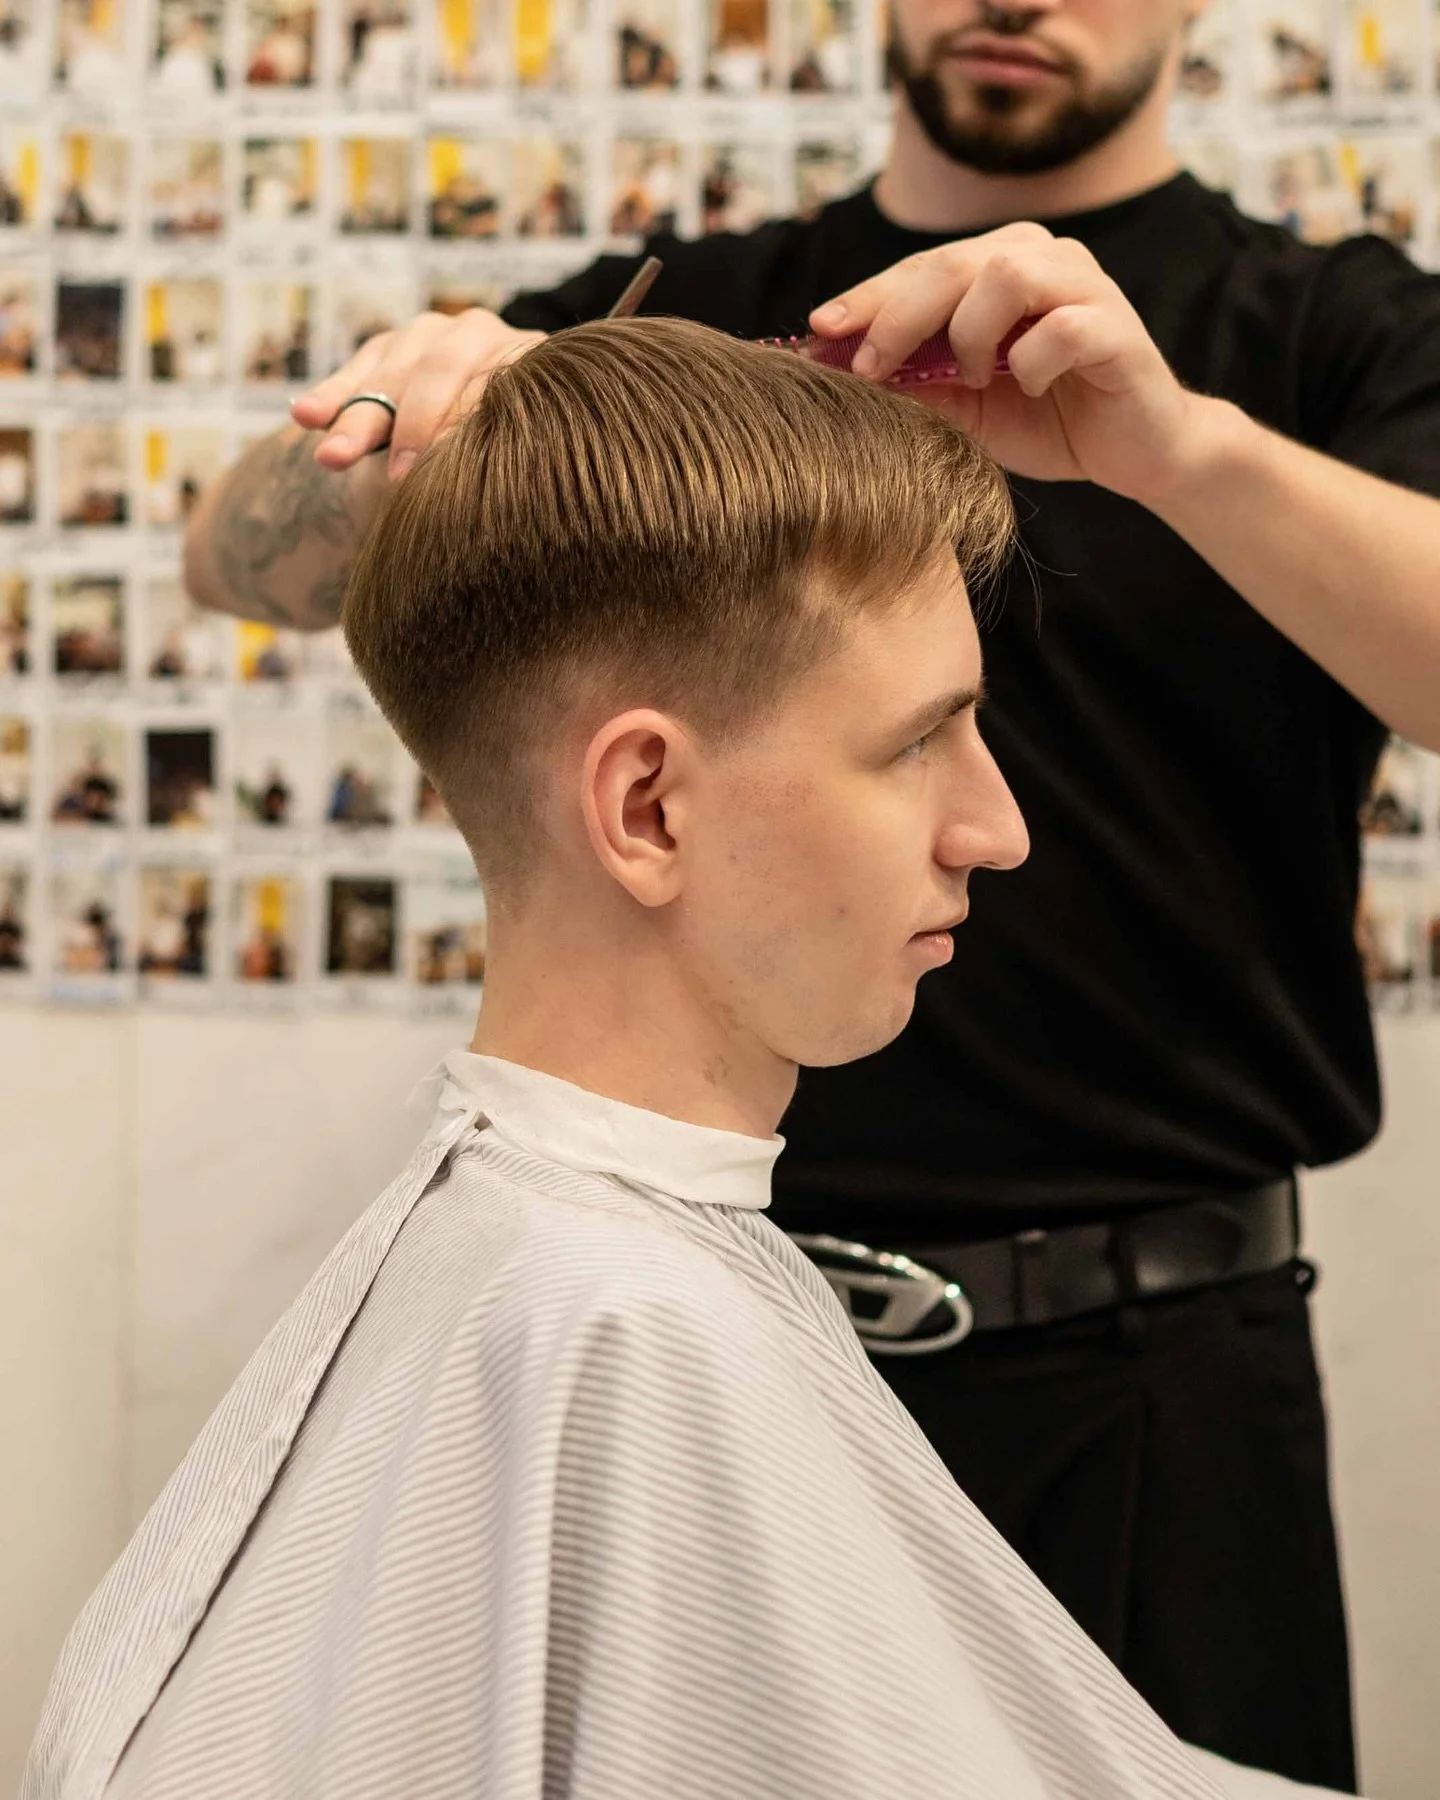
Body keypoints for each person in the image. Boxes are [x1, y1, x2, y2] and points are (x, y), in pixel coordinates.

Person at [180, 1, 1440, 1785]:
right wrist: (402, 414)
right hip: (713, 1316)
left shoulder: (1328, 334)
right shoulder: (698, 318)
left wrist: (1179, 450)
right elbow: (234, 562)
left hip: (1156, 1382)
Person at [24, 317, 1346, 1800]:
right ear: (647, 808)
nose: (999, 829)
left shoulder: (563, 1278)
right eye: (923, 741)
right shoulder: (621, 1327)